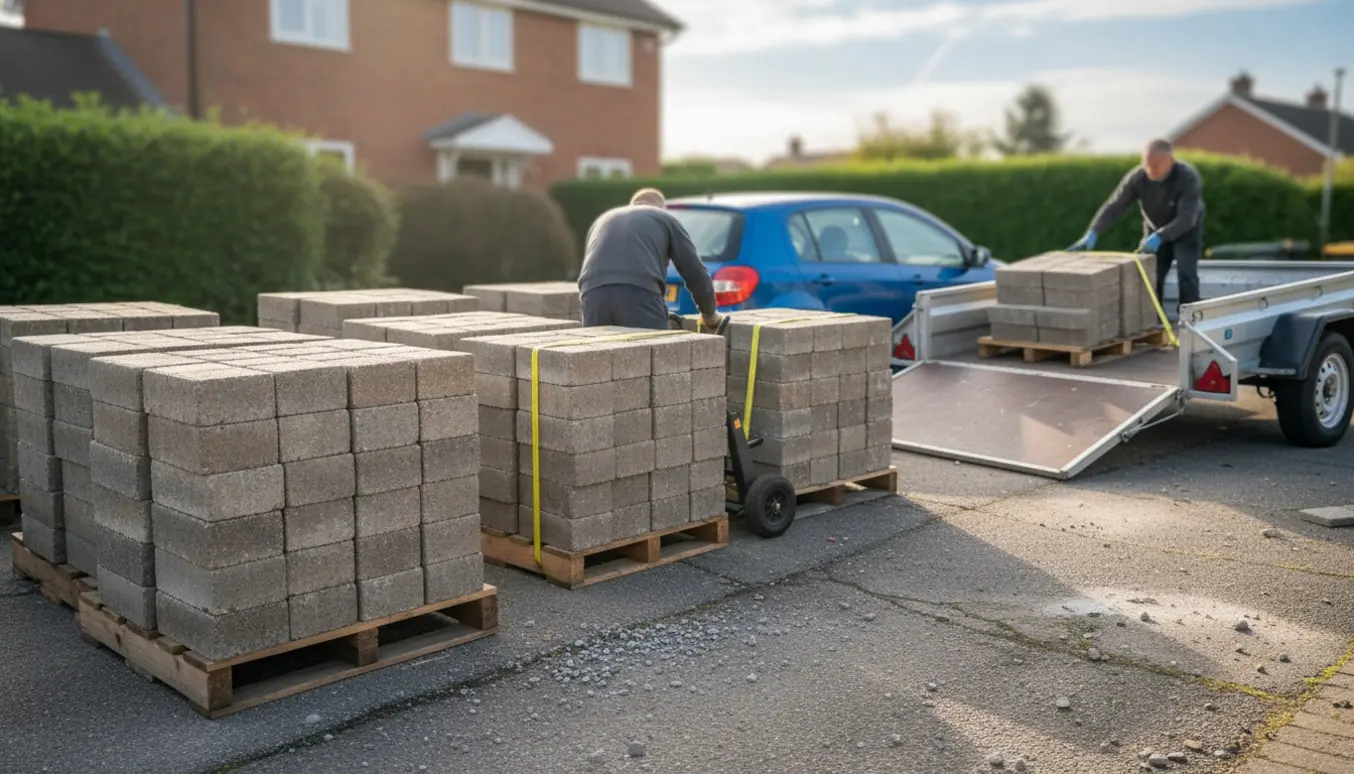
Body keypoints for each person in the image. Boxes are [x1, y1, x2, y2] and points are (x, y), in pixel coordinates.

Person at [1068, 139, 1207, 309]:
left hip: (1185, 231)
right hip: (1154, 228)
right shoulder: (1137, 178)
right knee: (1150, 277)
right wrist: (1093, 232)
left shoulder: (1187, 177)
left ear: (1170, 161)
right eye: (1147, 164)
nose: (1150, 170)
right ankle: (1153, 320)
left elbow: (1187, 218)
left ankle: (1190, 319)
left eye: (1155, 165)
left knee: (1186, 274)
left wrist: (1160, 237)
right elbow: (1114, 206)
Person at [577, 188, 724, 331]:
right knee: (655, 352)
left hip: (592, 296)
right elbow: (695, 272)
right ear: (661, 208)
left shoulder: (603, 220)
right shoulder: (664, 218)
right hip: (638, 292)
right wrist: (709, 314)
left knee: (598, 354)